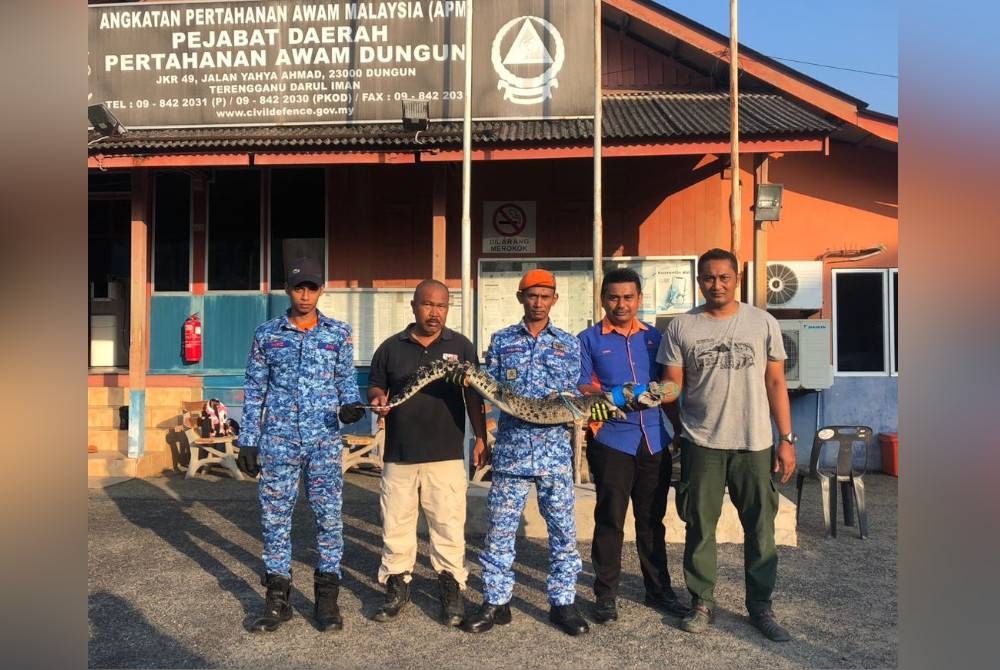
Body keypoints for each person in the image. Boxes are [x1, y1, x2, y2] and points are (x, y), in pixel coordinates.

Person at [657, 248, 797, 642]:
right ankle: (701, 602)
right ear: (698, 281)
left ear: (736, 279)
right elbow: (672, 387)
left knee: (760, 528)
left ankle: (760, 607)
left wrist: (785, 440)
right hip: (702, 442)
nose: (716, 285)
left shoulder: (763, 322)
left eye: (724, 277)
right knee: (700, 526)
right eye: (708, 278)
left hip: (754, 443)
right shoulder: (682, 327)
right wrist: (654, 405)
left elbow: (775, 383)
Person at [235, 256, 367, 633]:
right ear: (288, 290)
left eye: (312, 287)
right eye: (298, 288)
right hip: (278, 441)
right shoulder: (267, 335)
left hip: (324, 441)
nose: (305, 295)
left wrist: (350, 408)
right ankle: (278, 599)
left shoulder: (338, 334)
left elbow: (345, 383)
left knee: (328, 519)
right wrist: (248, 440)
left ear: (321, 290)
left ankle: (327, 599)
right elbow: (255, 389)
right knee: (275, 520)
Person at [459, 269, 592, 637]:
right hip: (512, 453)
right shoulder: (501, 341)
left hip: (553, 455)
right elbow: (493, 393)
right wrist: (483, 434)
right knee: (499, 532)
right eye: (531, 296)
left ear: (554, 300)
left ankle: (563, 602)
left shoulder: (568, 343)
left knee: (563, 532)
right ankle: (496, 601)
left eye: (544, 296)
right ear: (520, 298)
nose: (537, 302)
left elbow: (572, 396)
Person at [367, 279, 487, 626]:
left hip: (446, 454)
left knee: (448, 525)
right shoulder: (391, 348)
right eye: (428, 305)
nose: (434, 313)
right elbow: (376, 384)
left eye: (442, 306)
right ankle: (396, 584)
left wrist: (481, 437)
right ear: (414, 305)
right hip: (399, 454)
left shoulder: (461, 346)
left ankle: (451, 589)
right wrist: (377, 398)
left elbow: (474, 396)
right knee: (396, 524)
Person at [576, 267, 687, 624]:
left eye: (628, 297)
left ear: (639, 299)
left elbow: (670, 387)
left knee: (652, 520)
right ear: (603, 299)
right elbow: (582, 387)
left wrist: (679, 429)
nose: (620, 304)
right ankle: (606, 595)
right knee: (609, 519)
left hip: (654, 439)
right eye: (613, 297)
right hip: (611, 440)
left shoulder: (656, 338)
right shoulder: (588, 339)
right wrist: (612, 396)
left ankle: (658, 591)